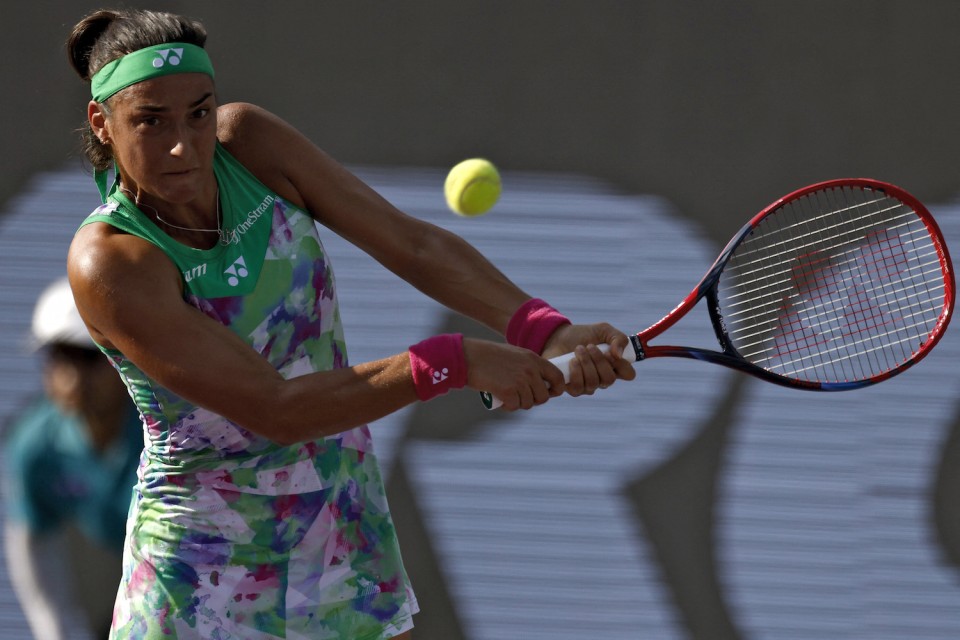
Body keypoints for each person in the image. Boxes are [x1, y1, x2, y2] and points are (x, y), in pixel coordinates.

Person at [64, 8, 636, 639]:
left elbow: (410, 244)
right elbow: (276, 408)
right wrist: (453, 361)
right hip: (202, 574)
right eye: (150, 121)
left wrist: (541, 328)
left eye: (199, 113)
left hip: (340, 529)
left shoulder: (249, 144)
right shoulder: (110, 262)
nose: (183, 145)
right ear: (103, 123)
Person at [3, 277, 143, 640]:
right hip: (99, 560)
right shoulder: (35, 444)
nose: (71, 376)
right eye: (59, 357)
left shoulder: (166, 430)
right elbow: (32, 542)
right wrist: (52, 629)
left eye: (88, 357)